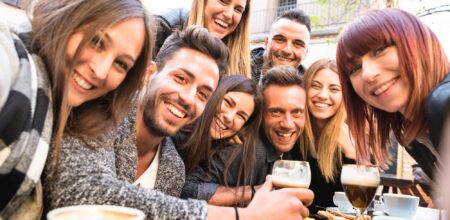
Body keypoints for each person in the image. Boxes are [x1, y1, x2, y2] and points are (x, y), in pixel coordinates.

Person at [44, 26, 314, 219]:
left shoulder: (172, 167)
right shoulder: (102, 112)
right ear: (150, 73)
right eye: (181, 79)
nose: (188, 98)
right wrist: (242, 215)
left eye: (203, 93)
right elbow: (84, 195)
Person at [0, 0, 154, 219]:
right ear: (68, 15)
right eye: (96, 41)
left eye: (121, 64)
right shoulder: (14, 60)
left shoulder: (78, 114)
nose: (100, 71)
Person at [336, 8, 449, 182]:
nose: (367, 74)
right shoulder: (413, 135)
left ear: (418, 43)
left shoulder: (444, 103)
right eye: (354, 68)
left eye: (380, 50)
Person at [177, 75, 263, 206]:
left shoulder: (223, 146)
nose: (229, 117)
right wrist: (254, 191)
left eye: (240, 116)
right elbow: (183, 190)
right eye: (228, 103)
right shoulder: (178, 131)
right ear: (215, 94)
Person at [299, 58, 356, 213]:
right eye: (315, 86)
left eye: (334, 89)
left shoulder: (352, 138)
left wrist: (352, 154)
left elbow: (358, 203)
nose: (323, 95)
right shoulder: (291, 132)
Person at [155, 0, 251, 77]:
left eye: (238, 10)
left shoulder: (239, 65)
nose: (229, 15)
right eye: (223, 1)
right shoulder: (162, 28)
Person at [251, 8, 311, 82]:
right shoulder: (236, 67)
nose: (287, 50)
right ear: (266, 42)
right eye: (280, 40)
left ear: (305, 53)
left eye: (297, 44)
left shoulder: (308, 85)